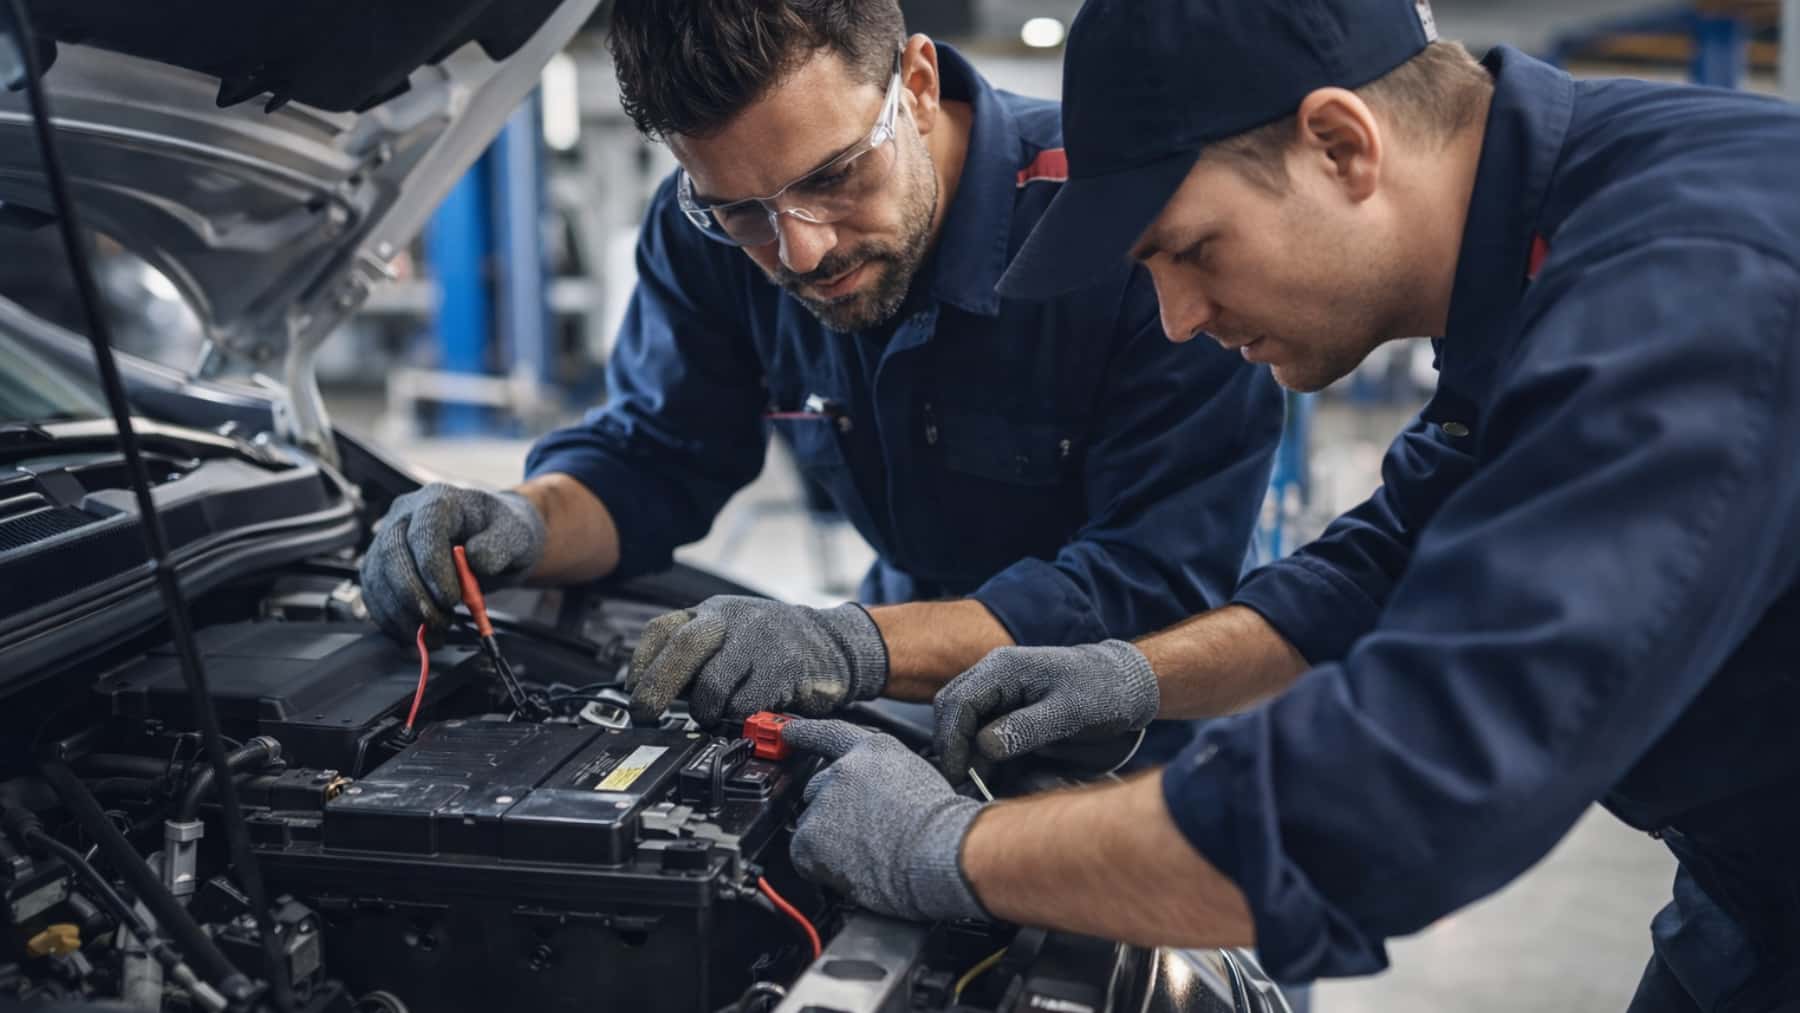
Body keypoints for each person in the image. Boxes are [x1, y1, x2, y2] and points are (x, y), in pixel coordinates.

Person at [777, 2, 1800, 1010]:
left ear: (1340, 146)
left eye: (1194, 249)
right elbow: (1383, 562)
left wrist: (947, 846)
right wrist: (1136, 672)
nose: (1177, 319)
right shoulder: (1542, 227)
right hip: (1745, 899)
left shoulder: (1688, 285)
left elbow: (1408, 784)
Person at [357, 0, 1281, 740]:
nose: (799, 251)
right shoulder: (709, 241)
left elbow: (1152, 583)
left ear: (915, 86)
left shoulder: (1121, 225)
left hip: (1149, 728)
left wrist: (850, 645)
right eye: (742, 209)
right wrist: (520, 520)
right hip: (908, 679)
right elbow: (655, 458)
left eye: (834, 175)